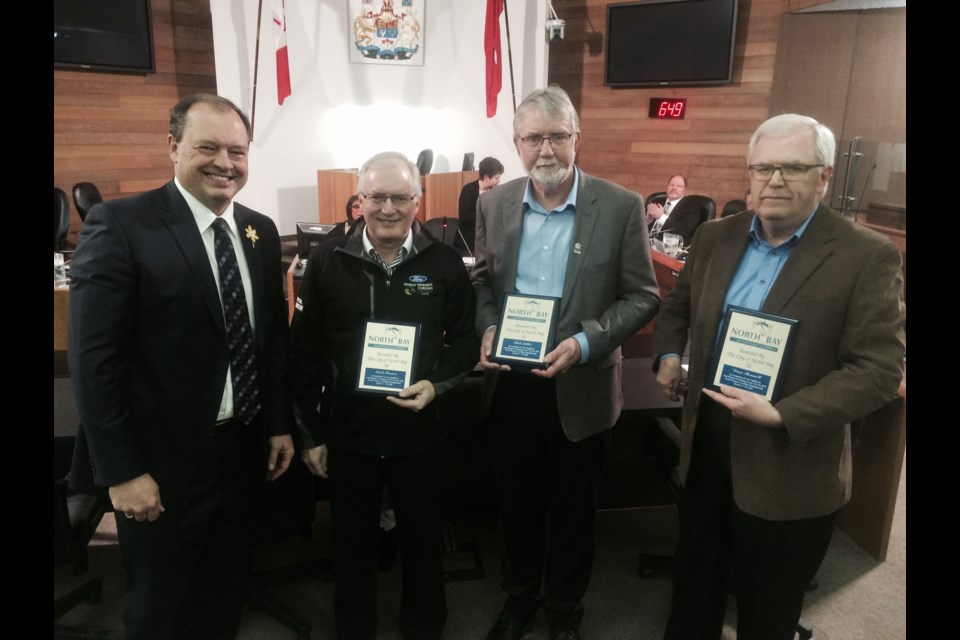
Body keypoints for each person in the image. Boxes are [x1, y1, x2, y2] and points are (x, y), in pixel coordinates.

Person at [653, 113, 905, 640]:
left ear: (825, 176)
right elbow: (677, 309)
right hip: (708, 446)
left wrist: (783, 413)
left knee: (768, 612)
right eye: (764, 167)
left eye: (793, 167)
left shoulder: (867, 256)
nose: (775, 180)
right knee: (694, 589)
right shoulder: (715, 236)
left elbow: (880, 370)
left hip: (790, 459)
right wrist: (669, 357)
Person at [68, 94, 295, 640]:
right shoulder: (120, 225)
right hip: (159, 463)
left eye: (237, 151)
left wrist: (280, 423)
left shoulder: (259, 232)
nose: (225, 162)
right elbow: (94, 362)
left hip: (241, 448)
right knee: (160, 605)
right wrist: (120, 471)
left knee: (225, 591)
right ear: (173, 147)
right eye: (208, 147)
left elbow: (272, 342)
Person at [472, 85, 660, 640]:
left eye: (558, 136)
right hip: (511, 383)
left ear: (578, 138)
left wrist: (587, 340)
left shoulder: (620, 205)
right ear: (517, 144)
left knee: (575, 512)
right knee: (518, 506)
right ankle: (520, 598)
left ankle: (564, 612)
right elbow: (482, 280)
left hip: (581, 384)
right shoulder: (494, 203)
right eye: (534, 138)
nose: (546, 149)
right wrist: (486, 327)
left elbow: (643, 295)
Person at [289, 151, 479, 640]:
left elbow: (463, 342)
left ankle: (424, 628)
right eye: (377, 196)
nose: (388, 208)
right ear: (359, 201)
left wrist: (436, 384)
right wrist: (310, 434)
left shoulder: (444, 264)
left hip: (420, 430)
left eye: (400, 197)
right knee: (351, 545)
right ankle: (354, 630)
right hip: (349, 431)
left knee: (422, 544)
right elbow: (304, 352)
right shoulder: (329, 261)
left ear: (419, 201)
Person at [457, 156, 504, 254]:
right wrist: (485, 212)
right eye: (497, 178)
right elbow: (464, 217)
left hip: (488, 244)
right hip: (468, 244)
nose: (499, 181)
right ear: (486, 178)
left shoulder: (495, 192)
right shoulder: (468, 190)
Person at [645, 174, 701, 244]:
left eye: (679, 186)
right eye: (671, 185)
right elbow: (638, 228)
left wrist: (661, 217)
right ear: (667, 187)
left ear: (684, 190)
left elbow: (683, 231)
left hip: (668, 247)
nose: (674, 188)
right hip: (645, 243)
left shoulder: (692, 207)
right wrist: (647, 220)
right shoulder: (657, 201)